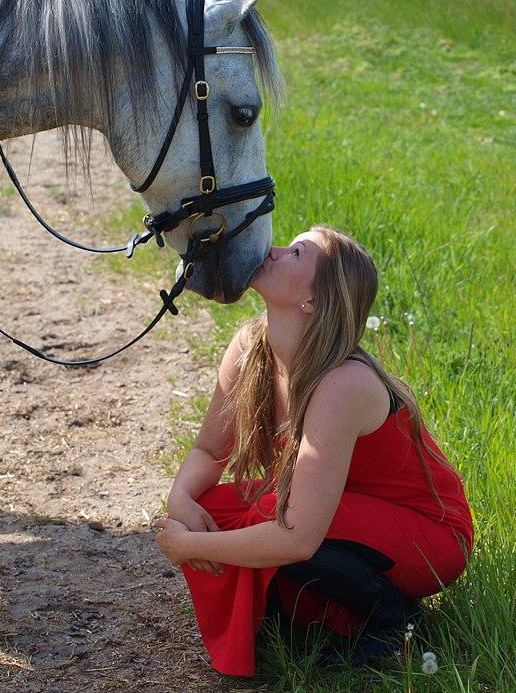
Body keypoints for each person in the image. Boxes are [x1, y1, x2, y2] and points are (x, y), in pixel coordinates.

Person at [154, 225, 473, 677]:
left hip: (428, 534)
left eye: (296, 253)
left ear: (315, 300)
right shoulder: (250, 347)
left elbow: (298, 535)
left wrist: (192, 545)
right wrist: (181, 501)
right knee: (211, 506)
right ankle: (300, 612)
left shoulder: (343, 383)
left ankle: (393, 623)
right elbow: (209, 450)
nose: (274, 249)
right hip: (340, 511)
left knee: (272, 515)